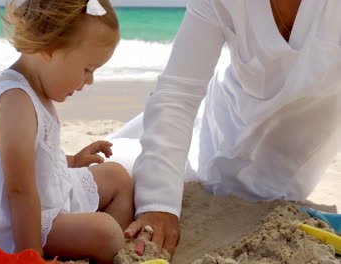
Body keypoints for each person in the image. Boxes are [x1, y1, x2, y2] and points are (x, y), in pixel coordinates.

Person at [105, 0, 341, 258]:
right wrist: (158, 205)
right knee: (100, 172)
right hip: (208, 130)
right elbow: (178, 93)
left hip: (283, 175)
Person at [0, 0, 134, 263]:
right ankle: (104, 249)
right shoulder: (16, 102)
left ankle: (114, 249)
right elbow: (19, 191)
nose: (89, 81)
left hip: (40, 203)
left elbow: (37, 161)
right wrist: (31, 257)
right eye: (87, 69)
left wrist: (72, 161)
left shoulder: (36, 88)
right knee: (106, 232)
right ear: (49, 49)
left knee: (117, 176)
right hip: (10, 225)